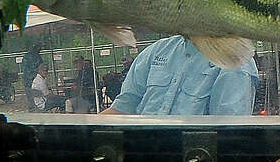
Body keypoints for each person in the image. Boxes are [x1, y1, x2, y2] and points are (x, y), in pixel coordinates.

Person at [103, 35, 259, 115]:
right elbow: (122, 109)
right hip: (141, 161)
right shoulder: (156, 50)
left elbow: (228, 133)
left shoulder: (233, 59)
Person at [21, 43, 42, 108]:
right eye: (40, 48)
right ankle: (37, 105)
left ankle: (31, 105)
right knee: (36, 92)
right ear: (37, 47)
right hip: (34, 77)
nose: (40, 49)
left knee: (29, 92)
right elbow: (41, 67)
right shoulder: (37, 56)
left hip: (27, 78)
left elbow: (23, 68)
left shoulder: (25, 56)